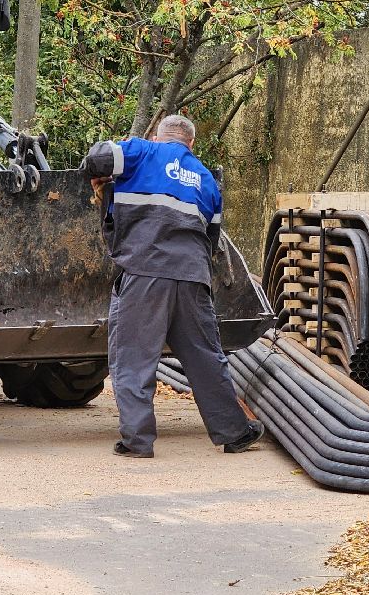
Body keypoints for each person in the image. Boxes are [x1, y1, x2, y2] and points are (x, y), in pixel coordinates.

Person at [82, 114, 264, 459]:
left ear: (157, 135)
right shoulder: (206, 180)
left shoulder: (141, 151)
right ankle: (234, 432)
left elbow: (98, 160)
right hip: (193, 278)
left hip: (145, 273)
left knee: (134, 358)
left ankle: (137, 441)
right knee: (206, 358)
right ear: (190, 144)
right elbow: (212, 239)